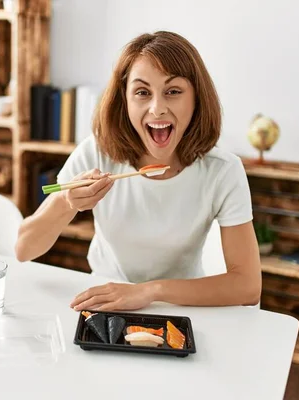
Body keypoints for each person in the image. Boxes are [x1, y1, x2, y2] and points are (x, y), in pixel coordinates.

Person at [15, 31, 261, 312]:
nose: (157, 109)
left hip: (181, 306)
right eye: (142, 93)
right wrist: (66, 202)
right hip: (105, 301)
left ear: (196, 99)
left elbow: (247, 286)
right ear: (125, 100)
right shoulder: (97, 152)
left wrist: (150, 292)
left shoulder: (223, 170)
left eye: (173, 92)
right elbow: (24, 249)